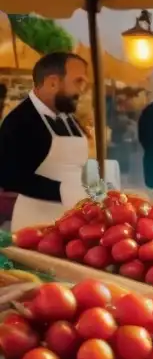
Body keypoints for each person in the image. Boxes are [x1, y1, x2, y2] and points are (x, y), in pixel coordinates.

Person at [0, 51, 89, 230]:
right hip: (35, 222)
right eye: (78, 81)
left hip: (71, 218)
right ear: (52, 82)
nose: (82, 90)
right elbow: (10, 177)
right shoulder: (20, 121)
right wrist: (62, 190)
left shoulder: (68, 117)